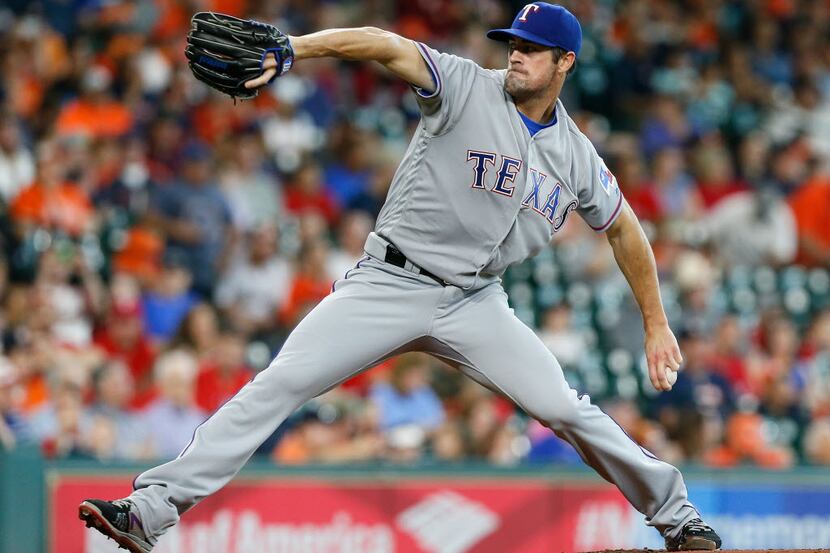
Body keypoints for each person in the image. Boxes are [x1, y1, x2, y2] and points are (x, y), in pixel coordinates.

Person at [79, 4, 721, 552]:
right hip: (389, 281)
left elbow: (625, 229)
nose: (517, 56)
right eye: (513, 44)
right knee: (280, 383)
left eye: (533, 49)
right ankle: (150, 510)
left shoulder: (576, 154)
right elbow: (383, 45)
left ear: (566, 64)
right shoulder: (467, 85)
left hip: (475, 300)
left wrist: (656, 321)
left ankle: (677, 516)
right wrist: (294, 49)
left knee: (563, 408)